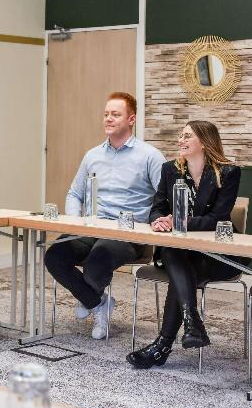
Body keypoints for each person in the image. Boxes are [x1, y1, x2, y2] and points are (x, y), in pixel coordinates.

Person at [44, 92, 165, 340]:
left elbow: (165, 197)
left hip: (128, 233)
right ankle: (97, 301)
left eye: (116, 114)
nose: (108, 118)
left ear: (131, 119)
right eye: (106, 114)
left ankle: (89, 298)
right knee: (55, 255)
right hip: (92, 228)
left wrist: (156, 221)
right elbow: (74, 193)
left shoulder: (150, 156)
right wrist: (76, 223)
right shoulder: (92, 155)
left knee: (98, 259)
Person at [127, 120, 241, 369]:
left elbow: (217, 218)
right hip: (182, 253)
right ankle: (189, 326)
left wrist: (179, 222)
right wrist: (159, 221)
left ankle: (165, 345)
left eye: (188, 136)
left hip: (218, 255)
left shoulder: (228, 172)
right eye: (181, 135)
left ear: (205, 142)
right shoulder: (170, 169)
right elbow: (157, 207)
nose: (181, 140)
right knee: (176, 259)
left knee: (179, 268)